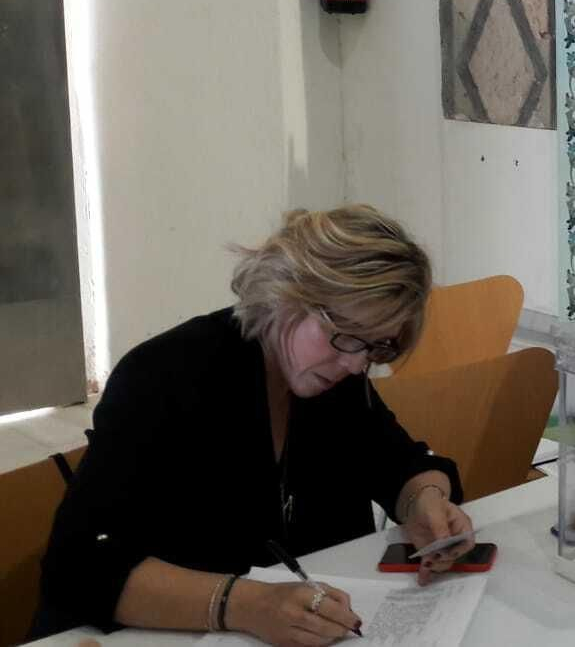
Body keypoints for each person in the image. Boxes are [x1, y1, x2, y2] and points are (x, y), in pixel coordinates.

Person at [32, 206, 476, 645]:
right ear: (287, 293)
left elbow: (401, 462)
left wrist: (424, 501)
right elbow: (78, 568)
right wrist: (245, 604)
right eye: (347, 335)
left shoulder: (332, 379)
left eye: (377, 346)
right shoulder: (165, 376)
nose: (357, 364)